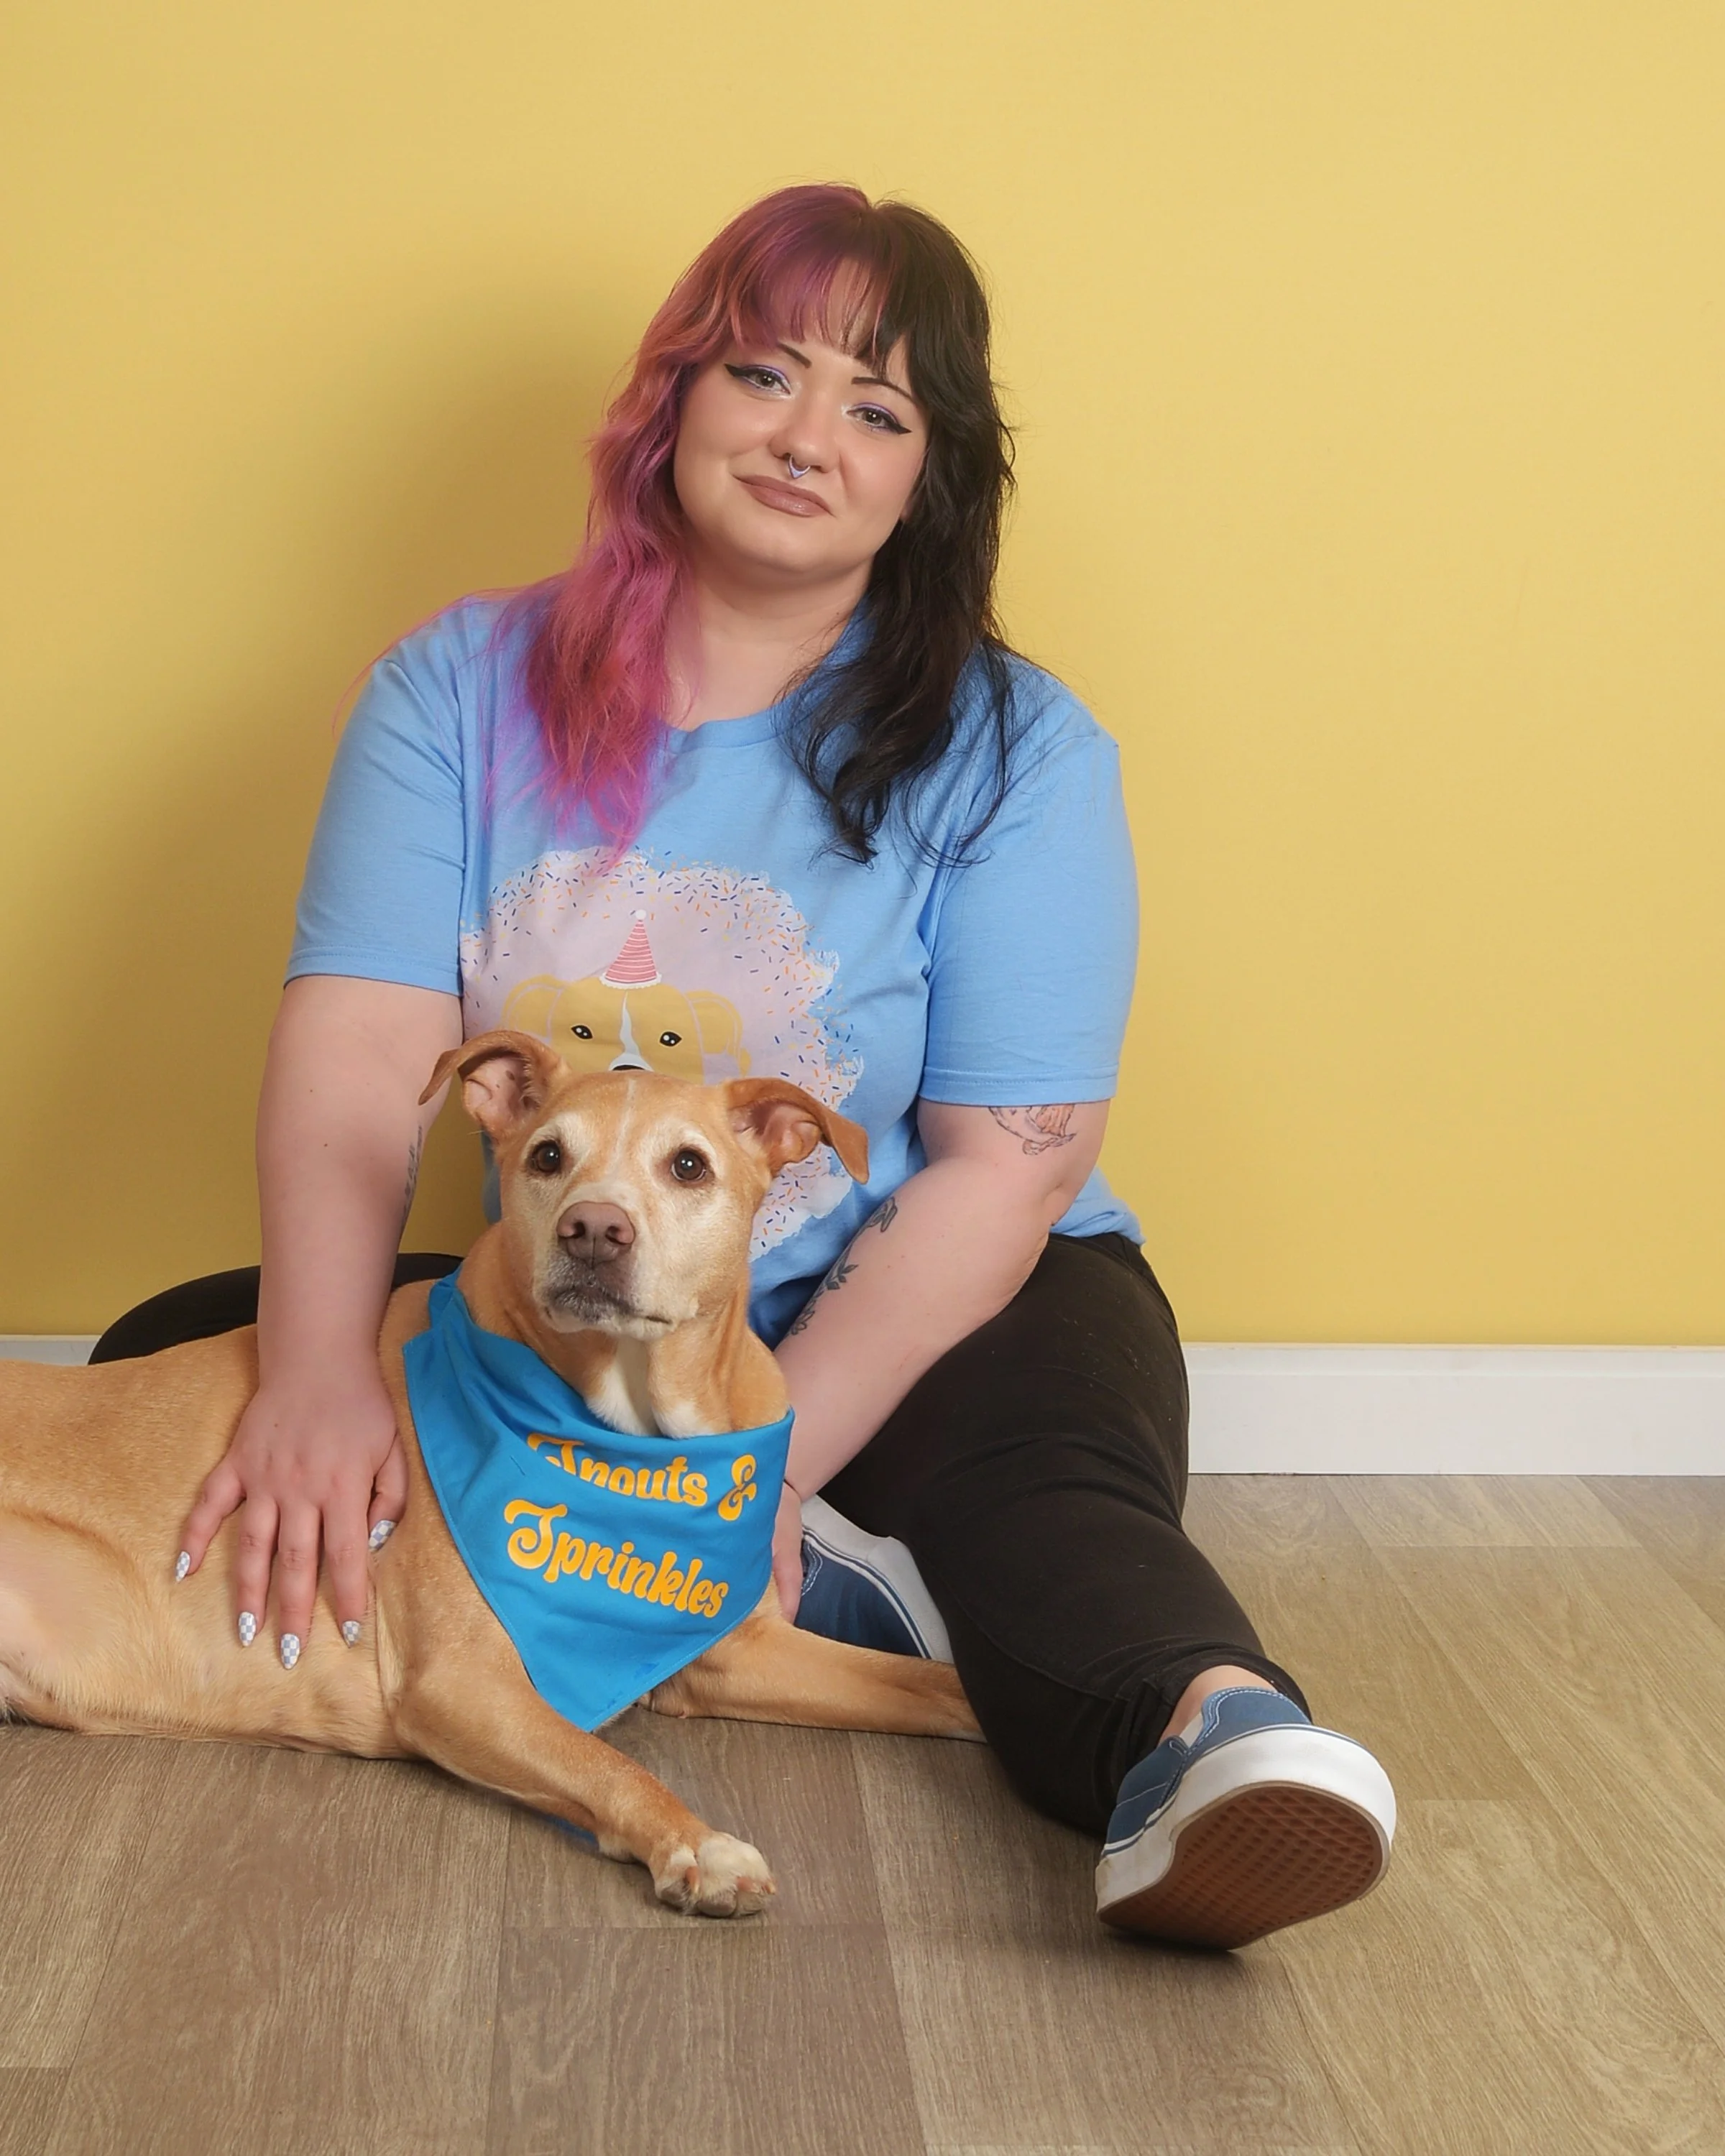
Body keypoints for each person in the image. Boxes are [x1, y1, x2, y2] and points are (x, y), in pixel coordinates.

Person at [96, 184, 1394, 1948]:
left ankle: (1208, 1737)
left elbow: (1002, 1164)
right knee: (182, 1360)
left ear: (928, 479)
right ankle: (757, 1599)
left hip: (940, 1292)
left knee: (1044, 1495)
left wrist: (764, 1474)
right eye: (765, 375)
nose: (807, 439)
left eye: (878, 411)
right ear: (673, 401)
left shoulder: (1019, 749)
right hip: (592, 1300)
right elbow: (356, 1056)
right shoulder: (456, 689)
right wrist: (319, 1376)